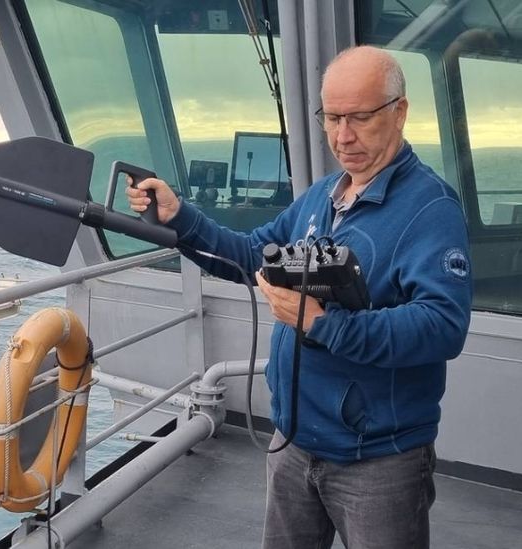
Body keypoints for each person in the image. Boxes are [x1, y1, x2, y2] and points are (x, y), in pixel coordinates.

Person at [126, 46, 471, 549]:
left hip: (378, 460)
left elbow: (443, 326)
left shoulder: (430, 208)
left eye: (359, 117)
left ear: (399, 112)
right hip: (292, 441)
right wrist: (180, 218)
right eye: (332, 117)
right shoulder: (322, 196)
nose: (342, 136)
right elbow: (251, 255)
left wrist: (320, 323)